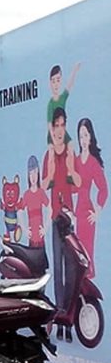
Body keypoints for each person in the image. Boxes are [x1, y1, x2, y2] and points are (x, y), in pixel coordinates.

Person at [42, 107, 81, 341]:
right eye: (55, 125)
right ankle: (59, 319)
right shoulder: (48, 155)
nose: (59, 129)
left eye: (62, 125)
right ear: (51, 128)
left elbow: (78, 182)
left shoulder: (70, 153)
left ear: (65, 127)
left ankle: (68, 320)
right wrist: (51, 169)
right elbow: (44, 183)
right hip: (56, 219)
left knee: (71, 271)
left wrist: (70, 166)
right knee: (57, 270)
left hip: (69, 219)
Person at [74, 118, 107, 278]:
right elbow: (72, 188)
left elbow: (104, 190)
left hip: (87, 213)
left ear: (91, 137)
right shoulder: (75, 161)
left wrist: (97, 212)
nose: (83, 140)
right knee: (78, 253)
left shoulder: (93, 162)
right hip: (77, 214)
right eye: (81, 136)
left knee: (88, 253)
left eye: (86, 135)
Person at [20, 156, 49, 247]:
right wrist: (25, 229)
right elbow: (19, 211)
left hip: (40, 237)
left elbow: (50, 208)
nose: (33, 177)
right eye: (30, 173)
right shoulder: (26, 195)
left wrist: (45, 228)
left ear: (38, 174)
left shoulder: (41, 193)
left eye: (35, 173)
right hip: (31, 238)